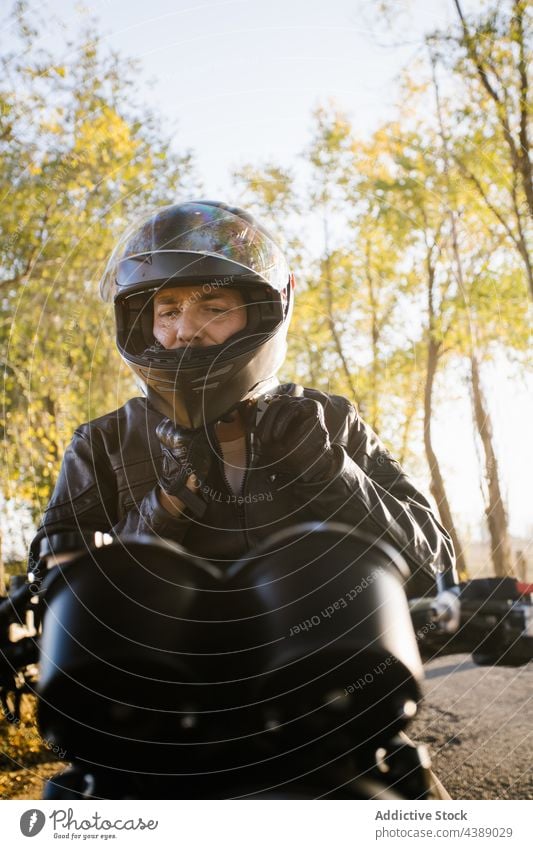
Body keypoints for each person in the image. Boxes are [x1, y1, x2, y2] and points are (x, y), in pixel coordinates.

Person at [30, 200, 454, 799]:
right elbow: (54, 588)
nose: (184, 327)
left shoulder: (331, 420)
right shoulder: (100, 442)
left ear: (259, 313)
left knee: (419, 801)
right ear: (142, 323)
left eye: (213, 305)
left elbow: (433, 561)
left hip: (330, 719)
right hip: (147, 728)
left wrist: (329, 470)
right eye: (167, 309)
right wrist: (174, 500)